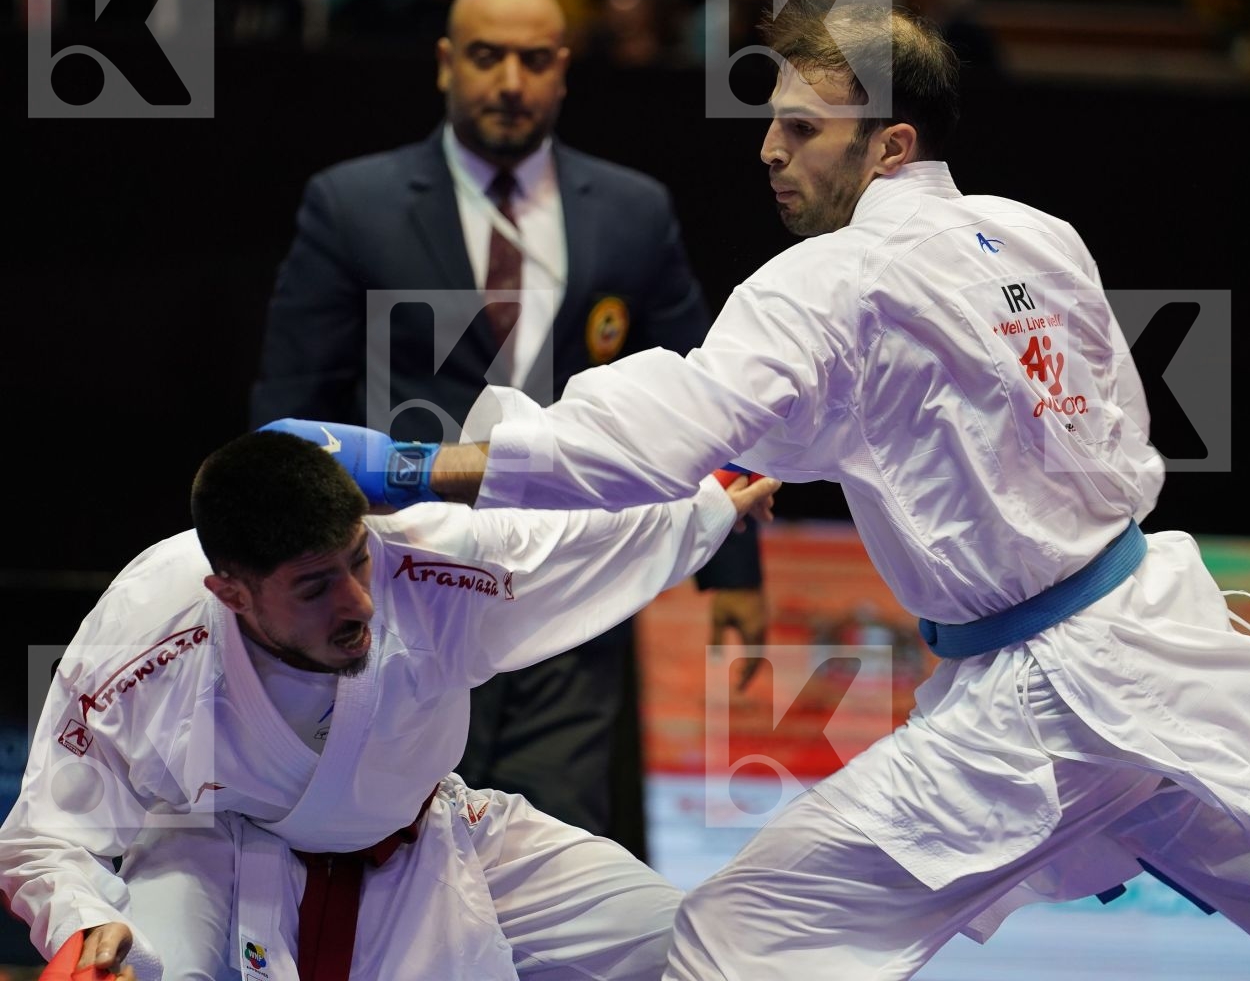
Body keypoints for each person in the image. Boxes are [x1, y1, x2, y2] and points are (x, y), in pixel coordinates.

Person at [351, 0, 1250, 980]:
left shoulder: (829, 282)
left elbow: (648, 434)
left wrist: (414, 464)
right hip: (1156, 643)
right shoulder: (1037, 232)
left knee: (740, 942)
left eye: (801, 128)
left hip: (1045, 704)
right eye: (769, 122)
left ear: (890, 142)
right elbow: (1009, 427)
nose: (768, 150)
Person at [249, 0, 766, 857]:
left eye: (533, 59)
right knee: (396, 842)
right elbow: (291, 399)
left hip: (575, 575)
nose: (511, 81)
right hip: (402, 588)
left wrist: (738, 574)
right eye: (487, 57)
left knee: (558, 839)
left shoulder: (633, 213)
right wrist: (273, 573)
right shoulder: (354, 203)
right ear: (447, 65)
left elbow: (708, 400)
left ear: (563, 70)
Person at [0, 414, 779, 979]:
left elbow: (587, 544)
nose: (359, 601)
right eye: (314, 585)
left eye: (357, 560)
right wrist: (84, 915)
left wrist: (709, 510)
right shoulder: (146, 628)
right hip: (219, 857)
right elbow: (43, 832)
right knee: (142, 970)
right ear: (230, 592)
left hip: (433, 833)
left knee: (691, 942)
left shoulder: (430, 562)